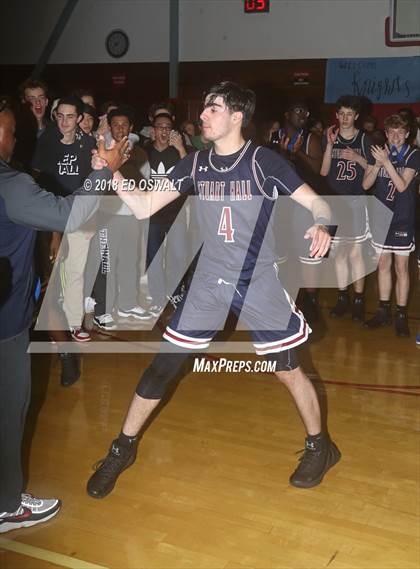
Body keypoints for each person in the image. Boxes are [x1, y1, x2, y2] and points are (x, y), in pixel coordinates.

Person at [86, 81, 340, 500]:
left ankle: (321, 447)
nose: (202, 115)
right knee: (162, 366)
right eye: (204, 109)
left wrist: (322, 224)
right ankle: (121, 449)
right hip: (209, 281)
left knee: (287, 370)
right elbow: (144, 206)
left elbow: (320, 203)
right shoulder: (197, 164)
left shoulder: (263, 162)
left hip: (257, 281)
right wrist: (112, 172)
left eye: (213, 109)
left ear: (237, 116)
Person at [0, 98, 129, 532]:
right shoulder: (10, 183)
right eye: (10, 130)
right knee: (8, 408)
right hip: (5, 325)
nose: (15, 138)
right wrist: (104, 169)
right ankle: (7, 505)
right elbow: (69, 214)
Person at [32, 95, 97, 342]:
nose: (64, 121)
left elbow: (93, 185)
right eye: (60, 115)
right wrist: (54, 232)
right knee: (50, 273)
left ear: (80, 118)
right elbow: (37, 179)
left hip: (79, 216)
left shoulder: (88, 142)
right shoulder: (47, 140)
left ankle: (72, 323)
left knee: (76, 271)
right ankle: (47, 322)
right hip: (50, 216)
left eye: (71, 116)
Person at [92, 106, 153, 330]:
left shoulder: (140, 153)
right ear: (110, 126)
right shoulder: (102, 149)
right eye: (115, 124)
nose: (120, 128)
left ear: (131, 127)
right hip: (107, 216)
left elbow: (145, 185)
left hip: (130, 217)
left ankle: (127, 303)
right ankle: (103, 311)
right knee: (106, 264)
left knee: (130, 261)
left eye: (124, 124)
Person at [362, 114, 420, 337]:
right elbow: (366, 184)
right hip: (380, 219)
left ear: (407, 134)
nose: (395, 137)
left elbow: (403, 185)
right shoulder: (378, 152)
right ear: (386, 134)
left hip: (402, 219)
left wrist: (386, 162)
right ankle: (383, 311)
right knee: (383, 265)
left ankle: (402, 315)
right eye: (391, 132)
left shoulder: (413, 155)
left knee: (401, 268)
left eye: (400, 133)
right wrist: (377, 164)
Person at [321, 95, 370, 322]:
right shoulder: (330, 137)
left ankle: (358, 299)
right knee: (339, 253)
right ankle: (343, 297)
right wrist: (330, 146)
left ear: (356, 116)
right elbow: (323, 172)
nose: (345, 118)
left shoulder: (364, 140)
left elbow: (374, 171)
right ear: (337, 115)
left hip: (356, 201)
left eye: (350, 114)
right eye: (341, 113)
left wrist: (359, 158)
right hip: (335, 202)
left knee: (356, 253)